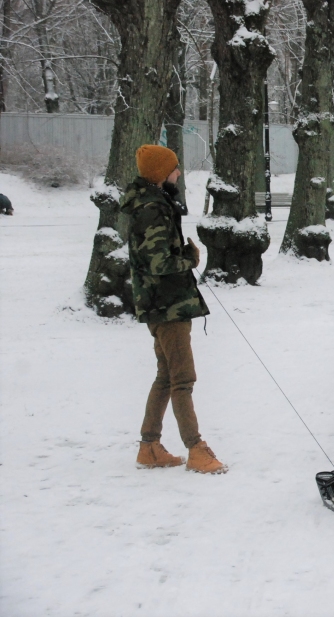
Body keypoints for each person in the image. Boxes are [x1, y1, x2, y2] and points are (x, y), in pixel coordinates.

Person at [121, 145, 225, 474]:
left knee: (166, 377)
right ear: (158, 173)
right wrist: (189, 260)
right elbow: (156, 261)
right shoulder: (152, 206)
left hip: (162, 301)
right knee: (183, 379)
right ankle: (196, 449)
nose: (178, 174)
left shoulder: (150, 202)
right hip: (167, 304)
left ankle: (149, 446)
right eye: (174, 169)